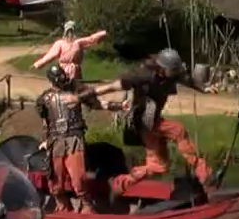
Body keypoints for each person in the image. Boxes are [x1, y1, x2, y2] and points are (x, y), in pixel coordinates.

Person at [86, 48, 212, 195]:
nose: (176, 72)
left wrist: (204, 89)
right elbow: (114, 85)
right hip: (144, 121)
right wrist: (92, 92)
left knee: (159, 166)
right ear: (163, 69)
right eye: (173, 70)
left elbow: (186, 79)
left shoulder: (172, 74)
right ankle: (204, 173)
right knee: (178, 130)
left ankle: (119, 183)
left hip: (154, 122)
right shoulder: (144, 76)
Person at [35, 63, 124, 213]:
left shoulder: (76, 91)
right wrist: (46, 139)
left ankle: (87, 208)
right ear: (51, 80)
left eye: (61, 76)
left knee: (78, 179)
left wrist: (118, 105)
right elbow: (46, 122)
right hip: (55, 141)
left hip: (74, 139)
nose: (60, 80)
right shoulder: (44, 99)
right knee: (56, 180)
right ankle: (63, 208)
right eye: (57, 78)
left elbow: (97, 104)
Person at [32, 20, 108, 82]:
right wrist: (39, 63)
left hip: (75, 72)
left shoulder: (78, 42)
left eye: (72, 31)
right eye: (69, 31)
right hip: (63, 72)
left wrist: (104, 33)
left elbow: (91, 39)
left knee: (77, 91)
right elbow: (50, 55)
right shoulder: (60, 43)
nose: (70, 34)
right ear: (66, 32)